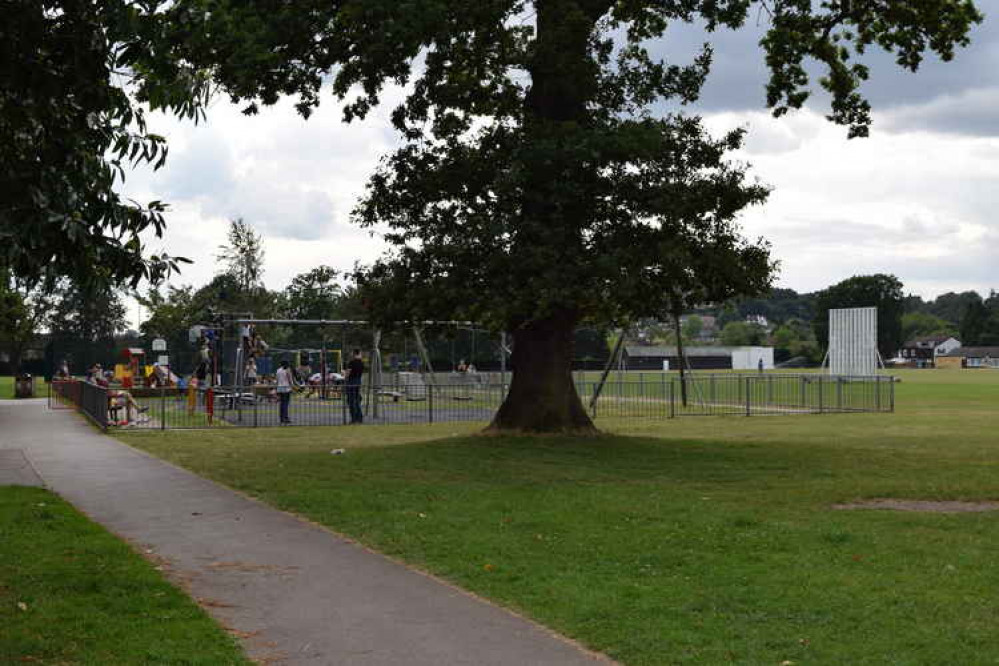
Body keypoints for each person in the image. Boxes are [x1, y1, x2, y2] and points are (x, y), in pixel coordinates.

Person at [345, 349, 364, 424]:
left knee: (351, 401)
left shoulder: (352, 362)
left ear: (354, 353)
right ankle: (359, 418)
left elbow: (348, 373)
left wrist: (344, 374)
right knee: (357, 401)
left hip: (351, 382)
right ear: (359, 353)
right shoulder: (362, 363)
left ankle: (354, 419)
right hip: (358, 382)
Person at [275, 359, 297, 424]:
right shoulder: (287, 370)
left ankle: (281, 418)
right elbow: (290, 380)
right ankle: (285, 417)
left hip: (280, 388)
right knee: (285, 404)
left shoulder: (278, 370)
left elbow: (277, 379)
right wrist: (293, 387)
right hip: (286, 388)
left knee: (281, 404)